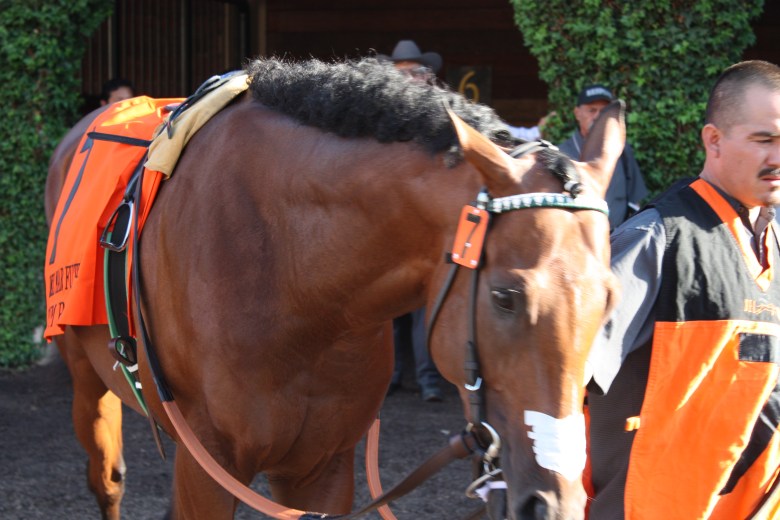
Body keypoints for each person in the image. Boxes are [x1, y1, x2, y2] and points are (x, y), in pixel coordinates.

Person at [585, 60, 780, 520]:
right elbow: (556, 383)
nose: (778, 156)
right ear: (713, 140)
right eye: (764, 139)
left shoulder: (772, 239)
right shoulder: (656, 239)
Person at [379, 39, 444, 402]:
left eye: (412, 73)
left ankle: (423, 379)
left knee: (418, 306)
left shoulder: (430, 118)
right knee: (391, 307)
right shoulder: (382, 118)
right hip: (394, 217)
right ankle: (400, 376)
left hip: (418, 217)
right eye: (400, 72)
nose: (407, 79)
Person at [558, 84, 647, 230]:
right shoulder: (560, 154)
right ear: (577, 113)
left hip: (618, 241)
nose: (598, 116)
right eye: (592, 110)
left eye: (604, 111)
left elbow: (634, 202)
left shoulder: (622, 150)